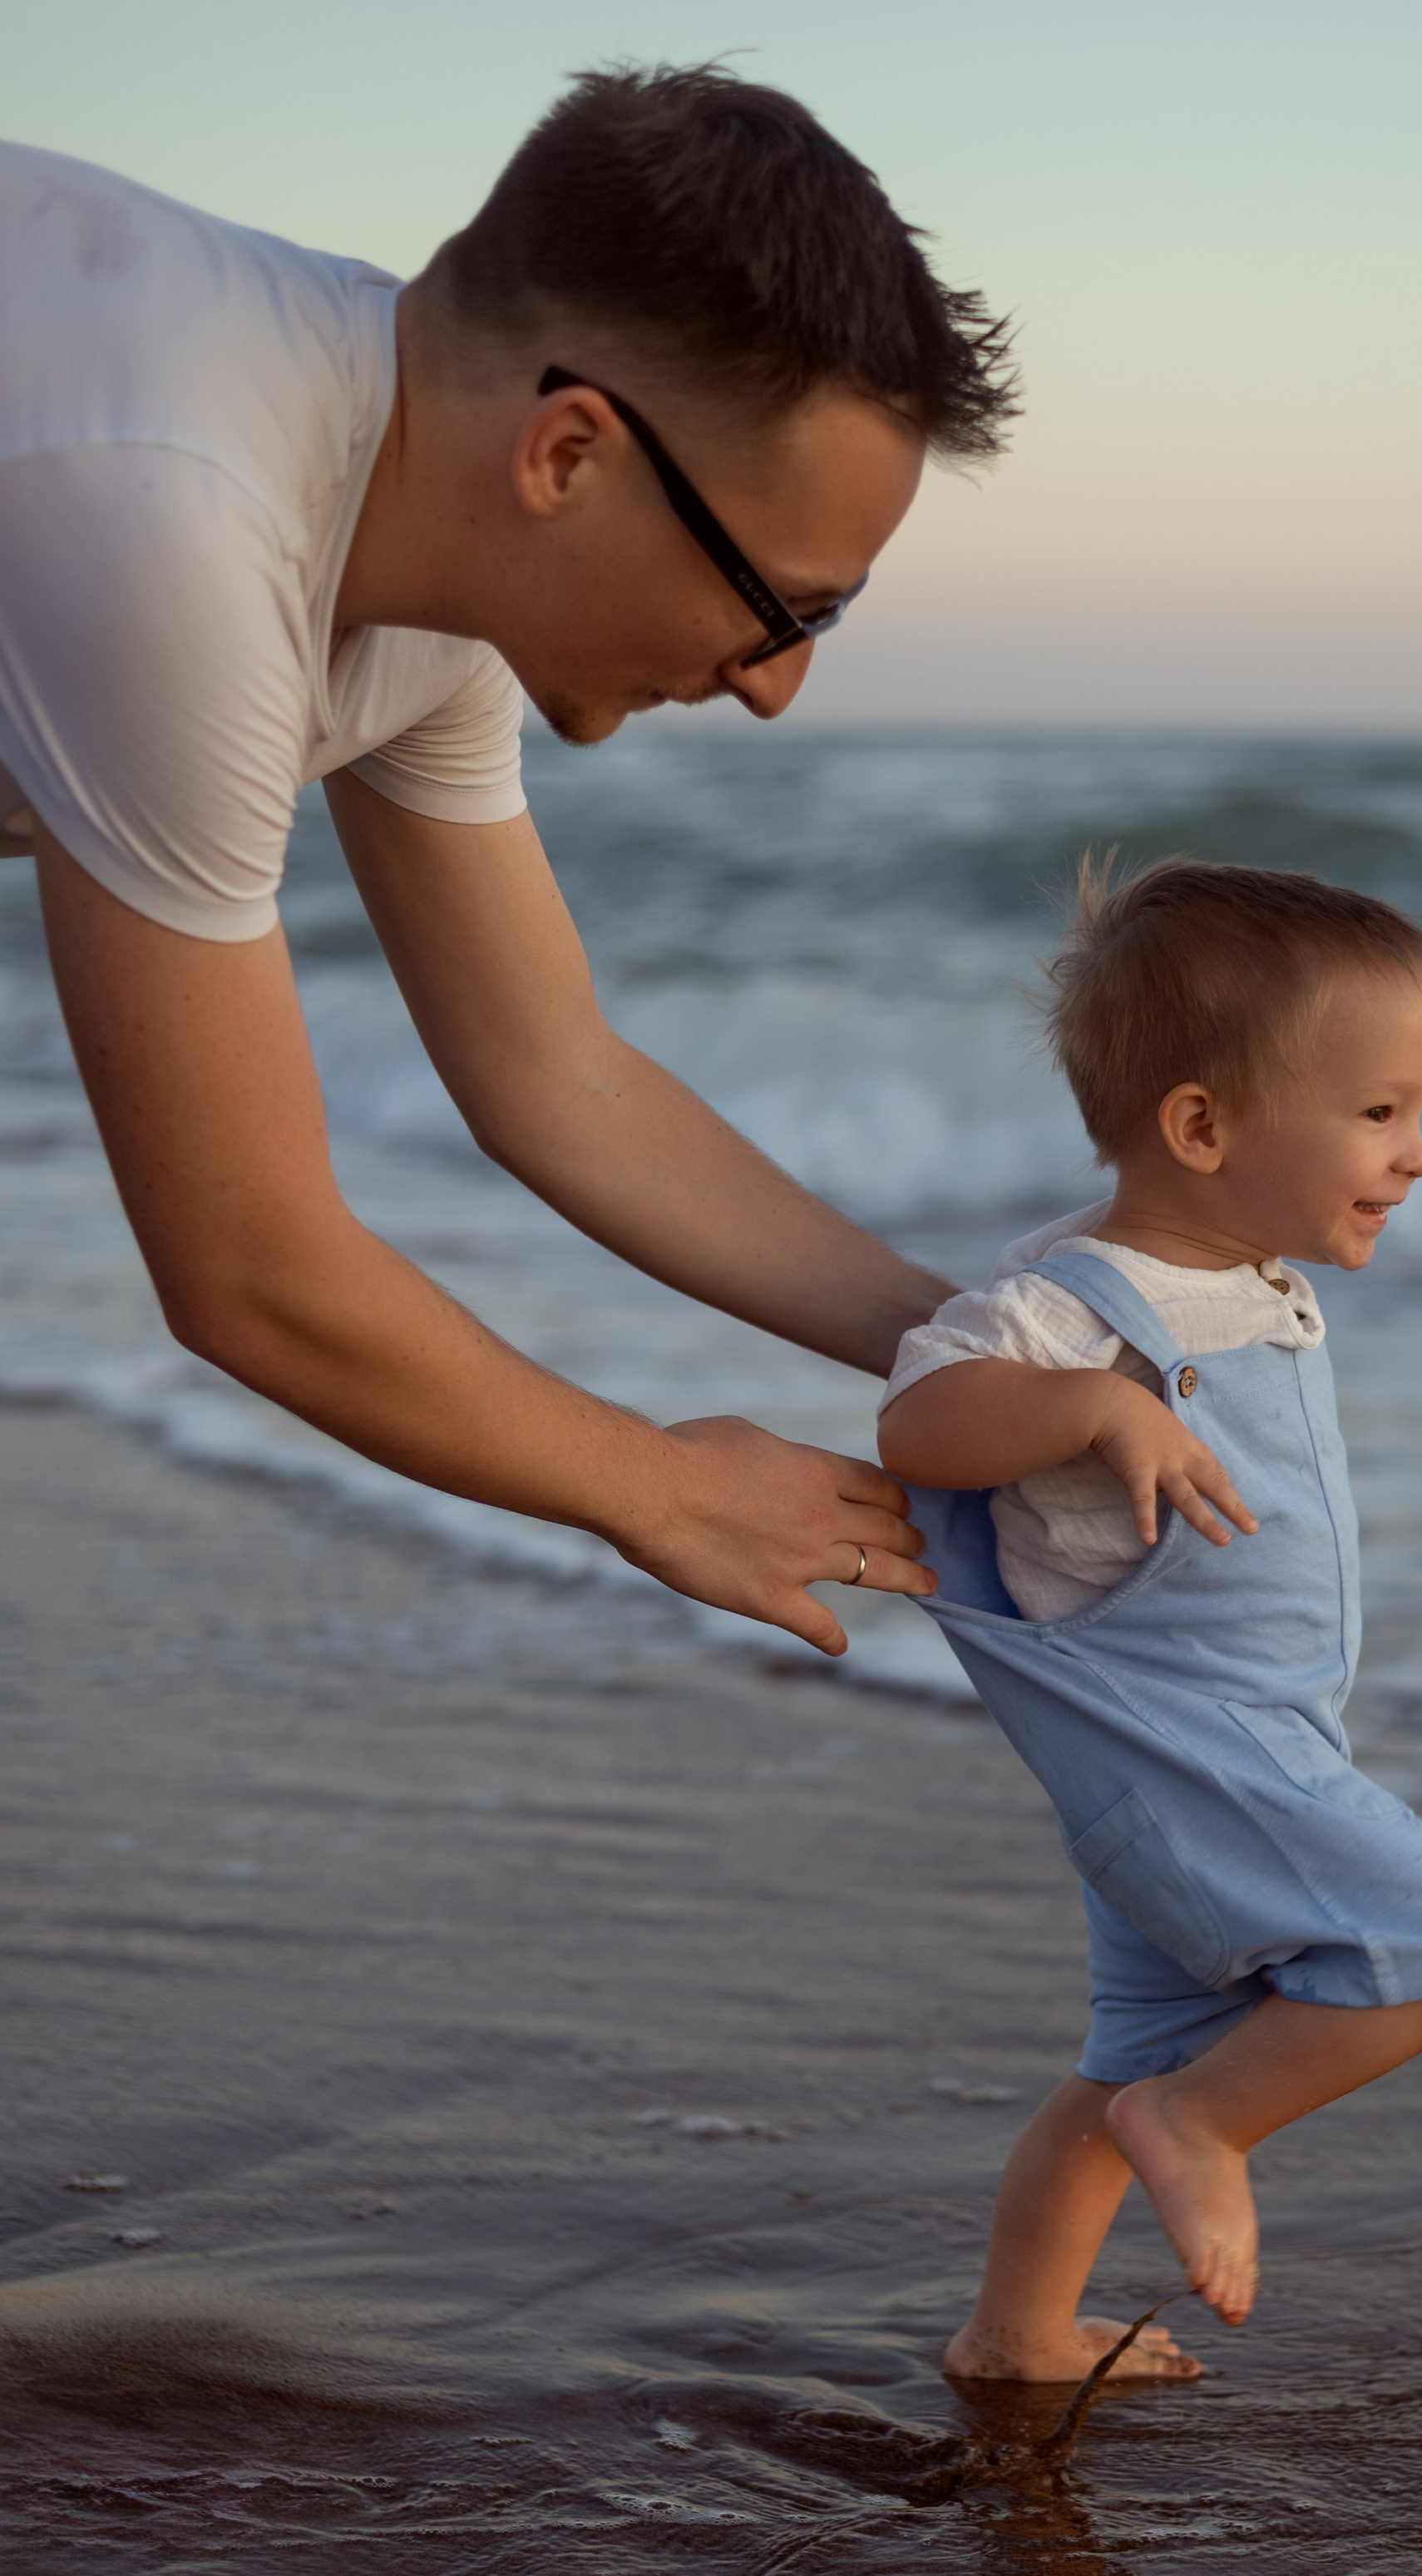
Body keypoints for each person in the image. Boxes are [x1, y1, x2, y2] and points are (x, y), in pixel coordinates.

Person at [0, 67, 1019, 1651]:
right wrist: (660, 1487)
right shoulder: (175, 527)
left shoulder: (426, 571)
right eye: (784, 604)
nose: (777, 685)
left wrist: (977, 1348)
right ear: (567, 455)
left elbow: (558, 1080)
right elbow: (248, 1270)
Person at [877, 861, 1422, 2384]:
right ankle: (1201, 2125)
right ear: (1201, 1129)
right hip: (1194, 1755)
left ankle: (1014, 2334)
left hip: (1226, 1752)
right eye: (1380, 1114)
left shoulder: (1244, 1274)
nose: (1417, 1155)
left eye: (1418, 1114)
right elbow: (922, 1418)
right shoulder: (1083, 1303)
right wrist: (1091, 1406)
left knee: (1123, 2064)